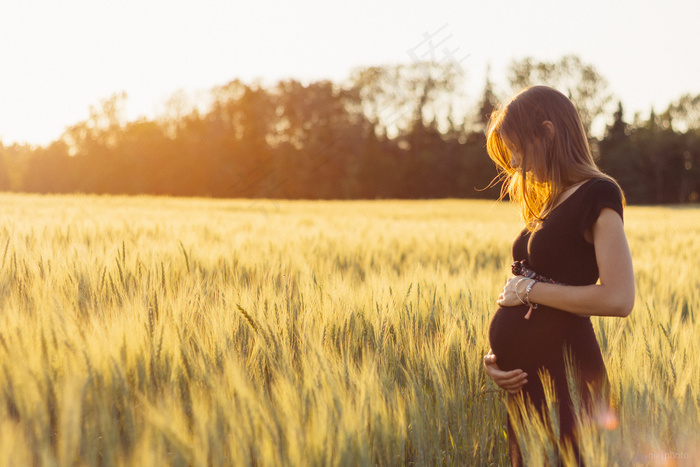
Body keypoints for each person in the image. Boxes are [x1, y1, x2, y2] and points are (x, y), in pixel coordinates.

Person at [481, 85, 635, 466]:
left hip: (566, 385)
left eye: (518, 148)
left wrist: (529, 290)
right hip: (528, 389)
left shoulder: (598, 193)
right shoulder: (551, 199)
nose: (515, 162)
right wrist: (497, 359)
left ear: (548, 133)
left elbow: (619, 298)